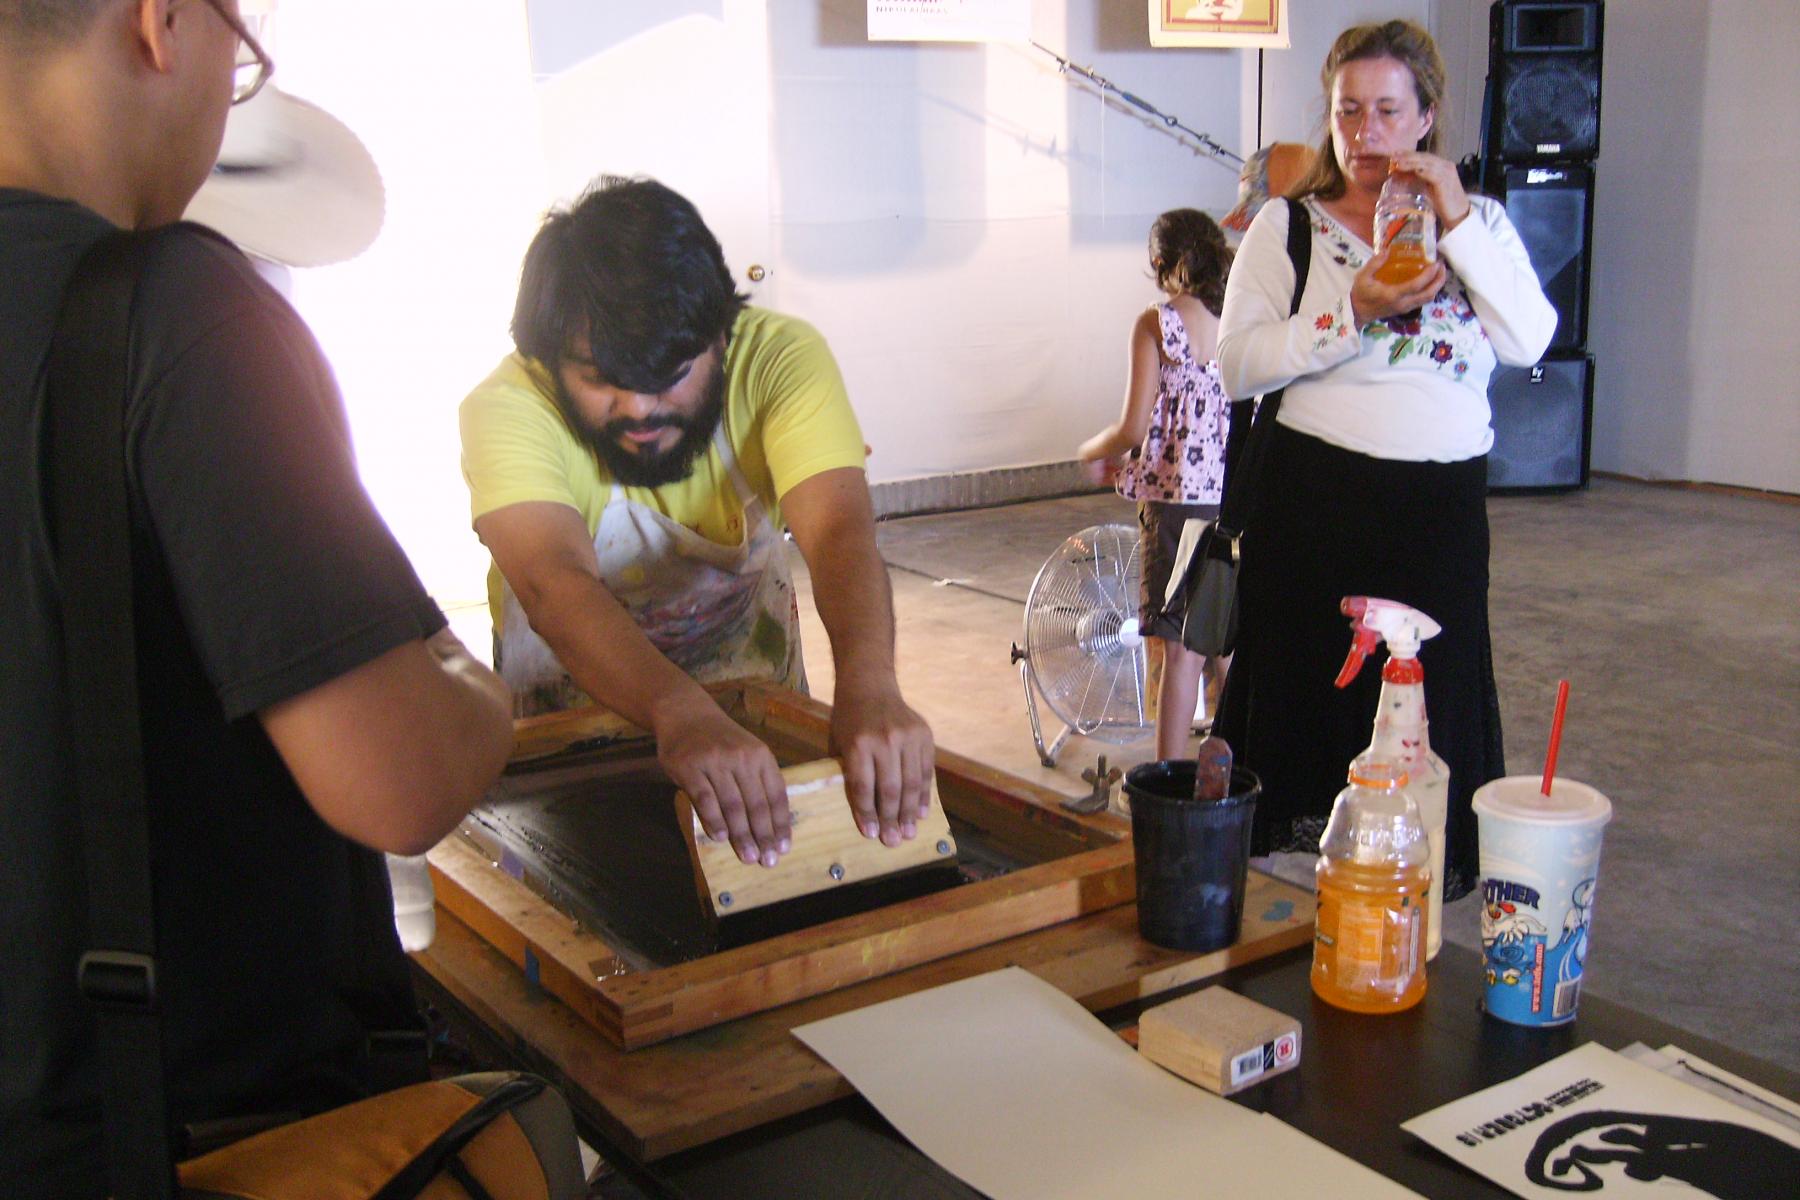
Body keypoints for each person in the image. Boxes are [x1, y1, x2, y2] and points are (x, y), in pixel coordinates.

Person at [0, 3, 516, 1195]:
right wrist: (464, 673)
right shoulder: (171, 311)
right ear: (161, 21)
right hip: (194, 1141)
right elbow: (405, 782)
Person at [460, 176, 934, 870]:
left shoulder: (780, 358)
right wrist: (677, 710)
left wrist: (869, 684)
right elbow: (553, 583)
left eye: (671, 375)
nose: (640, 410)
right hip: (570, 734)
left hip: (753, 708)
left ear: (720, 334)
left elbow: (837, 531)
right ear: (549, 357)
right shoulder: (506, 407)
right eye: (599, 380)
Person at [1213, 20, 1555, 898]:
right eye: (1347, 111)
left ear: (1427, 117)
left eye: (1388, 110)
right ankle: (1301, 885)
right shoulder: (1287, 227)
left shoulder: (1482, 227)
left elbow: (1530, 338)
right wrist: (1349, 315)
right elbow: (1239, 362)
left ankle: (1414, 882)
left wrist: (1458, 221)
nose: (1366, 134)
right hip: (1315, 499)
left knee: (1429, 688)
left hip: (1438, 511)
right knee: (1310, 690)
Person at [1077, 209, 1234, 759]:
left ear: (1161, 265)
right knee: (1226, 640)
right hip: (1231, 499)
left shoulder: (1158, 323)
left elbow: (1132, 427)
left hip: (1173, 508)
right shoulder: (1239, 316)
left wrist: (1092, 452)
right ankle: (1239, 767)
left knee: (1177, 648)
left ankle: (1169, 777)